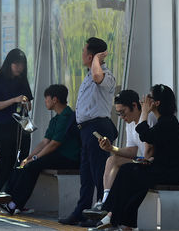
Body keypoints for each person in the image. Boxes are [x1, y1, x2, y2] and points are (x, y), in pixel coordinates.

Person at [98, 84, 179, 230]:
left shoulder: (167, 121)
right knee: (130, 173)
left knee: (131, 173)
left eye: (149, 97)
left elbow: (145, 135)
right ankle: (120, 218)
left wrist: (144, 112)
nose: (144, 99)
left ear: (156, 103)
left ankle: (112, 214)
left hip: (173, 174)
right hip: (164, 168)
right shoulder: (165, 120)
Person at [0, 84, 81, 214]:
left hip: (69, 158)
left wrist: (35, 158)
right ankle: (4, 196)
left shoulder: (67, 117)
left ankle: (14, 204)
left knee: (32, 166)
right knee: (22, 164)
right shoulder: (56, 119)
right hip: (57, 155)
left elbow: (54, 144)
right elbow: (44, 142)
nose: (45, 102)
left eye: (46, 99)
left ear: (54, 100)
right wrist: (28, 157)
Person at [59, 37, 118, 227]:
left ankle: (101, 214)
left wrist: (97, 60)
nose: (82, 55)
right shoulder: (89, 74)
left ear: (92, 56)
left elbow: (97, 77)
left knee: (99, 171)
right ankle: (82, 211)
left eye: (85, 52)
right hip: (85, 130)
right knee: (86, 174)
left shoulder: (105, 75)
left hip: (97, 128)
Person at [84, 89, 155, 222]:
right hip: (142, 160)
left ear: (134, 105)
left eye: (123, 112)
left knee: (123, 171)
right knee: (112, 160)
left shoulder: (148, 118)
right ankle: (105, 201)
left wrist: (141, 162)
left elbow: (149, 150)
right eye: (119, 113)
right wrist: (111, 148)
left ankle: (108, 207)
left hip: (152, 163)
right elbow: (132, 151)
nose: (122, 117)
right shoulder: (130, 123)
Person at [0, 48, 34, 192]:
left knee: (21, 161)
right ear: (9, 64)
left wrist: (25, 103)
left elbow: (29, 106)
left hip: (22, 126)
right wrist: (14, 100)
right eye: (17, 64)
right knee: (6, 161)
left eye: (22, 65)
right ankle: (2, 194)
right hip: (4, 126)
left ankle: (17, 197)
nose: (20, 68)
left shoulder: (22, 81)